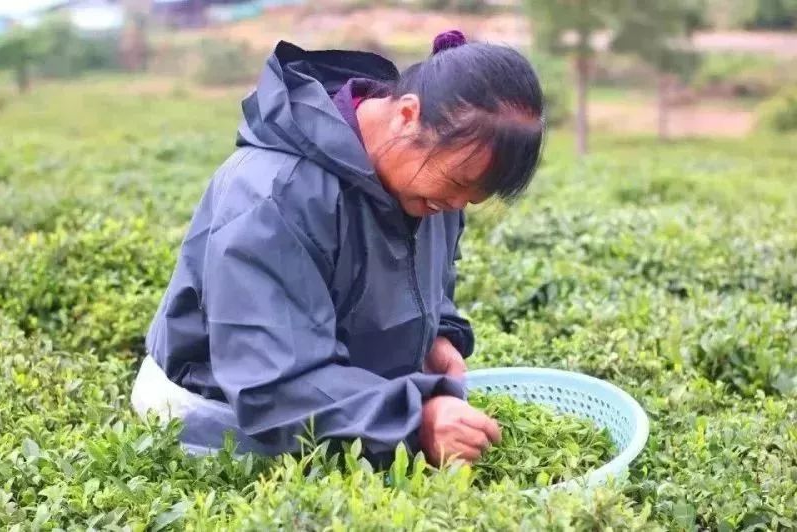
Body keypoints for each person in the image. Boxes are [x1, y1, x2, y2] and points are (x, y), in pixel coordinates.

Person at [131, 30, 545, 467]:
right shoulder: (272, 195)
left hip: (354, 405)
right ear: (408, 115)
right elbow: (270, 385)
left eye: (472, 199)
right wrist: (414, 418)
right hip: (222, 419)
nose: (456, 206)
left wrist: (437, 334)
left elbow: (425, 279)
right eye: (458, 186)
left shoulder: (432, 182)